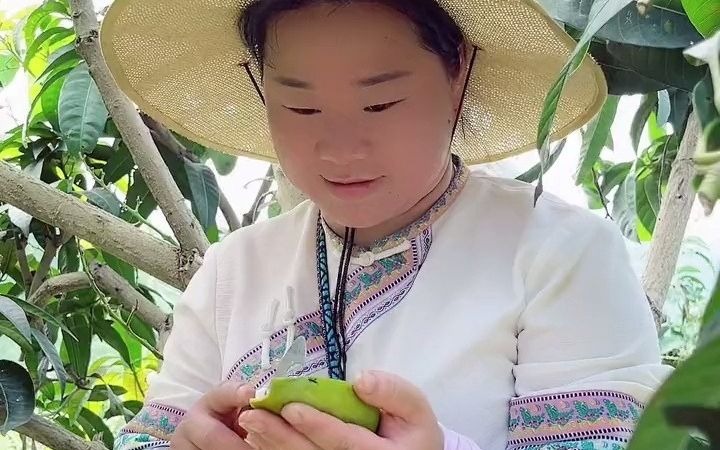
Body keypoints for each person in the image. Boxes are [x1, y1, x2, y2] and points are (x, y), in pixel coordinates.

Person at [102, 0, 672, 449]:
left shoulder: (559, 253)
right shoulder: (234, 271)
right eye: (300, 108)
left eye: (381, 104)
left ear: (458, 75)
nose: (340, 148)